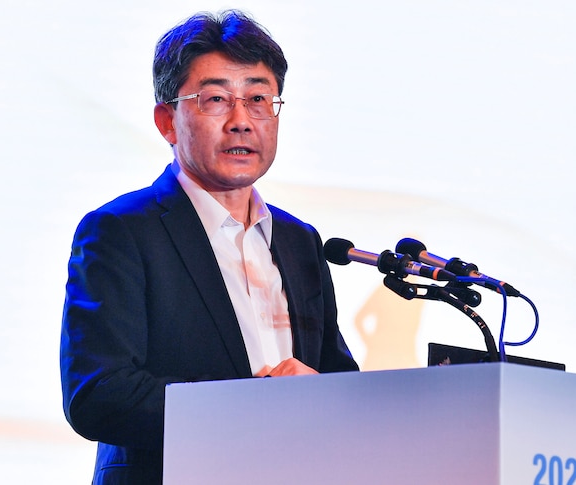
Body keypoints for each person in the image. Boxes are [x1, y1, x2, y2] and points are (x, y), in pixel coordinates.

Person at [59, 10, 359, 485]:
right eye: (217, 99)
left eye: (259, 98)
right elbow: (99, 395)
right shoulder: (121, 231)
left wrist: (323, 395)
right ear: (167, 121)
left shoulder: (300, 241)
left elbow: (337, 377)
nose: (242, 121)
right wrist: (252, 407)